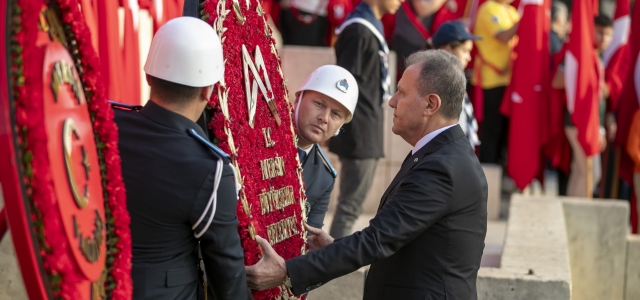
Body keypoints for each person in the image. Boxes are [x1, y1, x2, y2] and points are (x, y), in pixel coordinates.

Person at [246, 50, 488, 300]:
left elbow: (377, 239)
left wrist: (288, 272)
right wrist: (335, 248)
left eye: (402, 93)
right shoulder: (438, 155)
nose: (392, 101)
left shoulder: (442, 167)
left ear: (430, 104)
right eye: (319, 103)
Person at [113, 17, 251, 300]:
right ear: (208, 91)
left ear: (148, 75)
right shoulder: (210, 168)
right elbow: (227, 274)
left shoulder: (107, 122)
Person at [327, 0, 403, 239]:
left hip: (367, 127)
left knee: (351, 207)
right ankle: (329, 268)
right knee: (349, 208)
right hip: (358, 131)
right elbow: (346, 87)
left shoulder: (370, 26)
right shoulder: (358, 29)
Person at [551, 15, 611, 197]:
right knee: (589, 172)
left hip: (591, 122)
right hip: (577, 120)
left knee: (582, 170)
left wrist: (600, 128)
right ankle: (577, 215)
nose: (604, 39)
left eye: (608, 35)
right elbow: (557, 81)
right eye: (600, 33)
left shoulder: (597, 56)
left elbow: (599, 95)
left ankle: (571, 212)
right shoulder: (578, 52)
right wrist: (581, 76)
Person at [294, 65, 359, 229]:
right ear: (298, 99)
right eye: (319, 104)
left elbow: (308, 239)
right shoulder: (259, 138)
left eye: (335, 114)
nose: (324, 118)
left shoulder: (324, 177)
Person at [472, 0, 520, 164]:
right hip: (491, 79)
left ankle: (500, 170)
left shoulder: (513, 12)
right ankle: (488, 170)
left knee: (506, 129)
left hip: (510, 80)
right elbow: (503, 37)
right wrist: (527, 18)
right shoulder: (488, 9)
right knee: (492, 128)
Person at [430, 20, 481, 147]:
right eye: (464, 51)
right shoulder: (439, 84)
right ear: (448, 50)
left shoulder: (454, 80)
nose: (469, 58)